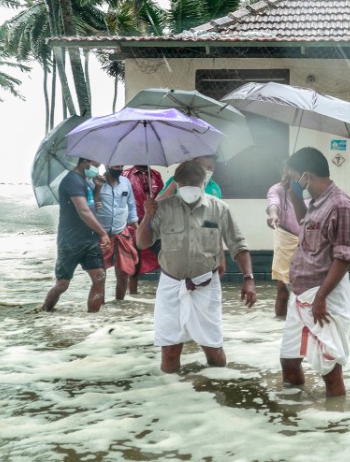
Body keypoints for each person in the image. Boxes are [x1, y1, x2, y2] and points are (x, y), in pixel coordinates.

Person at [135, 159, 257, 373]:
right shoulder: (163, 207)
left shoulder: (219, 209)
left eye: (194, 182)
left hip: (205, 285)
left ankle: (215, 392)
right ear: (177, 184)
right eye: (184, 183)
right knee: (170, 350)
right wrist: (147, 216)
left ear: (203, 182)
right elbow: (142, 242)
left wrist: (248, 279)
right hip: (171, 285)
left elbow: (238, 245)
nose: (189, 187)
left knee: (213, 350)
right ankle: (172, 397)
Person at [281, 147, 350, 398]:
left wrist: (321, 297)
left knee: (330, 371)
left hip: (324, 296)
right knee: (289, 361)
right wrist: (293, 194)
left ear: (307, 176)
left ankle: (337, 425)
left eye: (294, 177)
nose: (293, 181)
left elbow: (344, 258)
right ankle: (295, 417)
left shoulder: (340, 205)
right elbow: (306, 227)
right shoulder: (314, 203)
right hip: (301, 295)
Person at [42, 157, 112, 313]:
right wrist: (103, 233)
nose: (97, 169)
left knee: (99, 277)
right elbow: (83, 211)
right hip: (71, 242)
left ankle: (92, 322)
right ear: (84, 162)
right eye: (95, 165)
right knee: (62, 285)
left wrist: (97, 189)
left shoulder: (85, 181)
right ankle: (44, 311)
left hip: (90, 240)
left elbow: (91, 206)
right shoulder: (72, 180)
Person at [266, 163, 304, 318]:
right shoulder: (277, 190)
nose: (290, 174)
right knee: (283, 291)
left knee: (306, 290)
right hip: (285, 240)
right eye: (286, 170)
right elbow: (272, 204)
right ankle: (279, 328)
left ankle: (304, 325)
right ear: (282, 172)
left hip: (307, 241)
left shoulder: (309, 191)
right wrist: (273, 215)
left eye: (294, 171)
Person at [98, 165, 139, 300]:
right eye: (116, 165)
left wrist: (138, 229)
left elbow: (131, 206)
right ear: (107, 165)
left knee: (123, 273)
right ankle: (100, 307)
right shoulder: (96, 182)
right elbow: (88, 207)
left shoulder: (126, 182)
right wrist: (96, 189)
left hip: (122, 232)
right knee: (99, 275)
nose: (119, 168)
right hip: (101, 235)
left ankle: (119, 305)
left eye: (121, 166)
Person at [123, 164, 165, 294]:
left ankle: (163, 293)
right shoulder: (126, 176)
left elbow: (163, 198)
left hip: (154, 225)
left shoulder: (156, 175)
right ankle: (132, 296)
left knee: (164, 259)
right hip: (132, 225)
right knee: (134, 265)